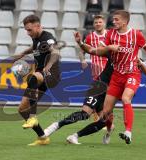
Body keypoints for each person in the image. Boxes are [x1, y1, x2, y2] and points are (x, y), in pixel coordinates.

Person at [74, 10, 146, 144]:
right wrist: (108, 48)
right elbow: (99, 50)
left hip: (132, 74)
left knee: (126, 98)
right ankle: (108, 131)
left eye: (117, 19)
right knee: (106, 112)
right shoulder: (111, 34)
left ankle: (128, 132)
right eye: (113, 19)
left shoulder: (136, 35)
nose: (113, 22)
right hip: (116, 76)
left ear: (125, 21)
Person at [44, 15, 115, 144]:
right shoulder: (94, 39)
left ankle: (105, 133)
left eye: (100, 22)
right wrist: (82, 57)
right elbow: (87, 50)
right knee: (85, 113)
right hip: (99, 82)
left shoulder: (114, 42)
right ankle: (57, 126)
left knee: (107, 123)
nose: (98, 24)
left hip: (110, 90)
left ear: (104, 24)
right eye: (96, 22)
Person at [12, 14, 64, 146]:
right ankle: (42, 137)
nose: (27, 32)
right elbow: (34, 48)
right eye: (26, 30)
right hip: (42, 75)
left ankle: (33, 117)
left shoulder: (47, 38)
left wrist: (48, 65)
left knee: (34, 77)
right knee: (22, 109)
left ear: (38, 26)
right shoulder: (36, 38)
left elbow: (55, 52)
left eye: (29, 30)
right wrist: (22, 54)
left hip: (52, 74)